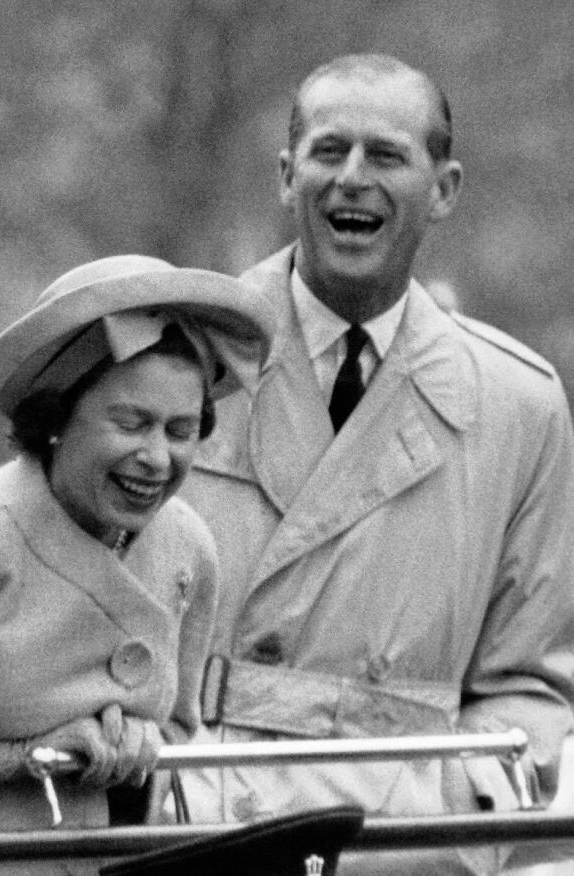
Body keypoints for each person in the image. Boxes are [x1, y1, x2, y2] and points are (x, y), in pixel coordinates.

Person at [175, 54, 574, 874]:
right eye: (329, 152)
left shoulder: (519, 404)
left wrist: (464, 818)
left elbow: (525, 681)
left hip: (397, 847)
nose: (351, 179)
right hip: (190, 826)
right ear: (288, 178)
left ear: (445, 188)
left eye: (386, 156)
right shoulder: (181, 353)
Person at [0, 255, 273, 875]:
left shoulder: (190, 549)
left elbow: (178, 732)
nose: (158, 459)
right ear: (57, 418)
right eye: (131, 423)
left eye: (181, 430)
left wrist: (143, 748)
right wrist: (18, 757)